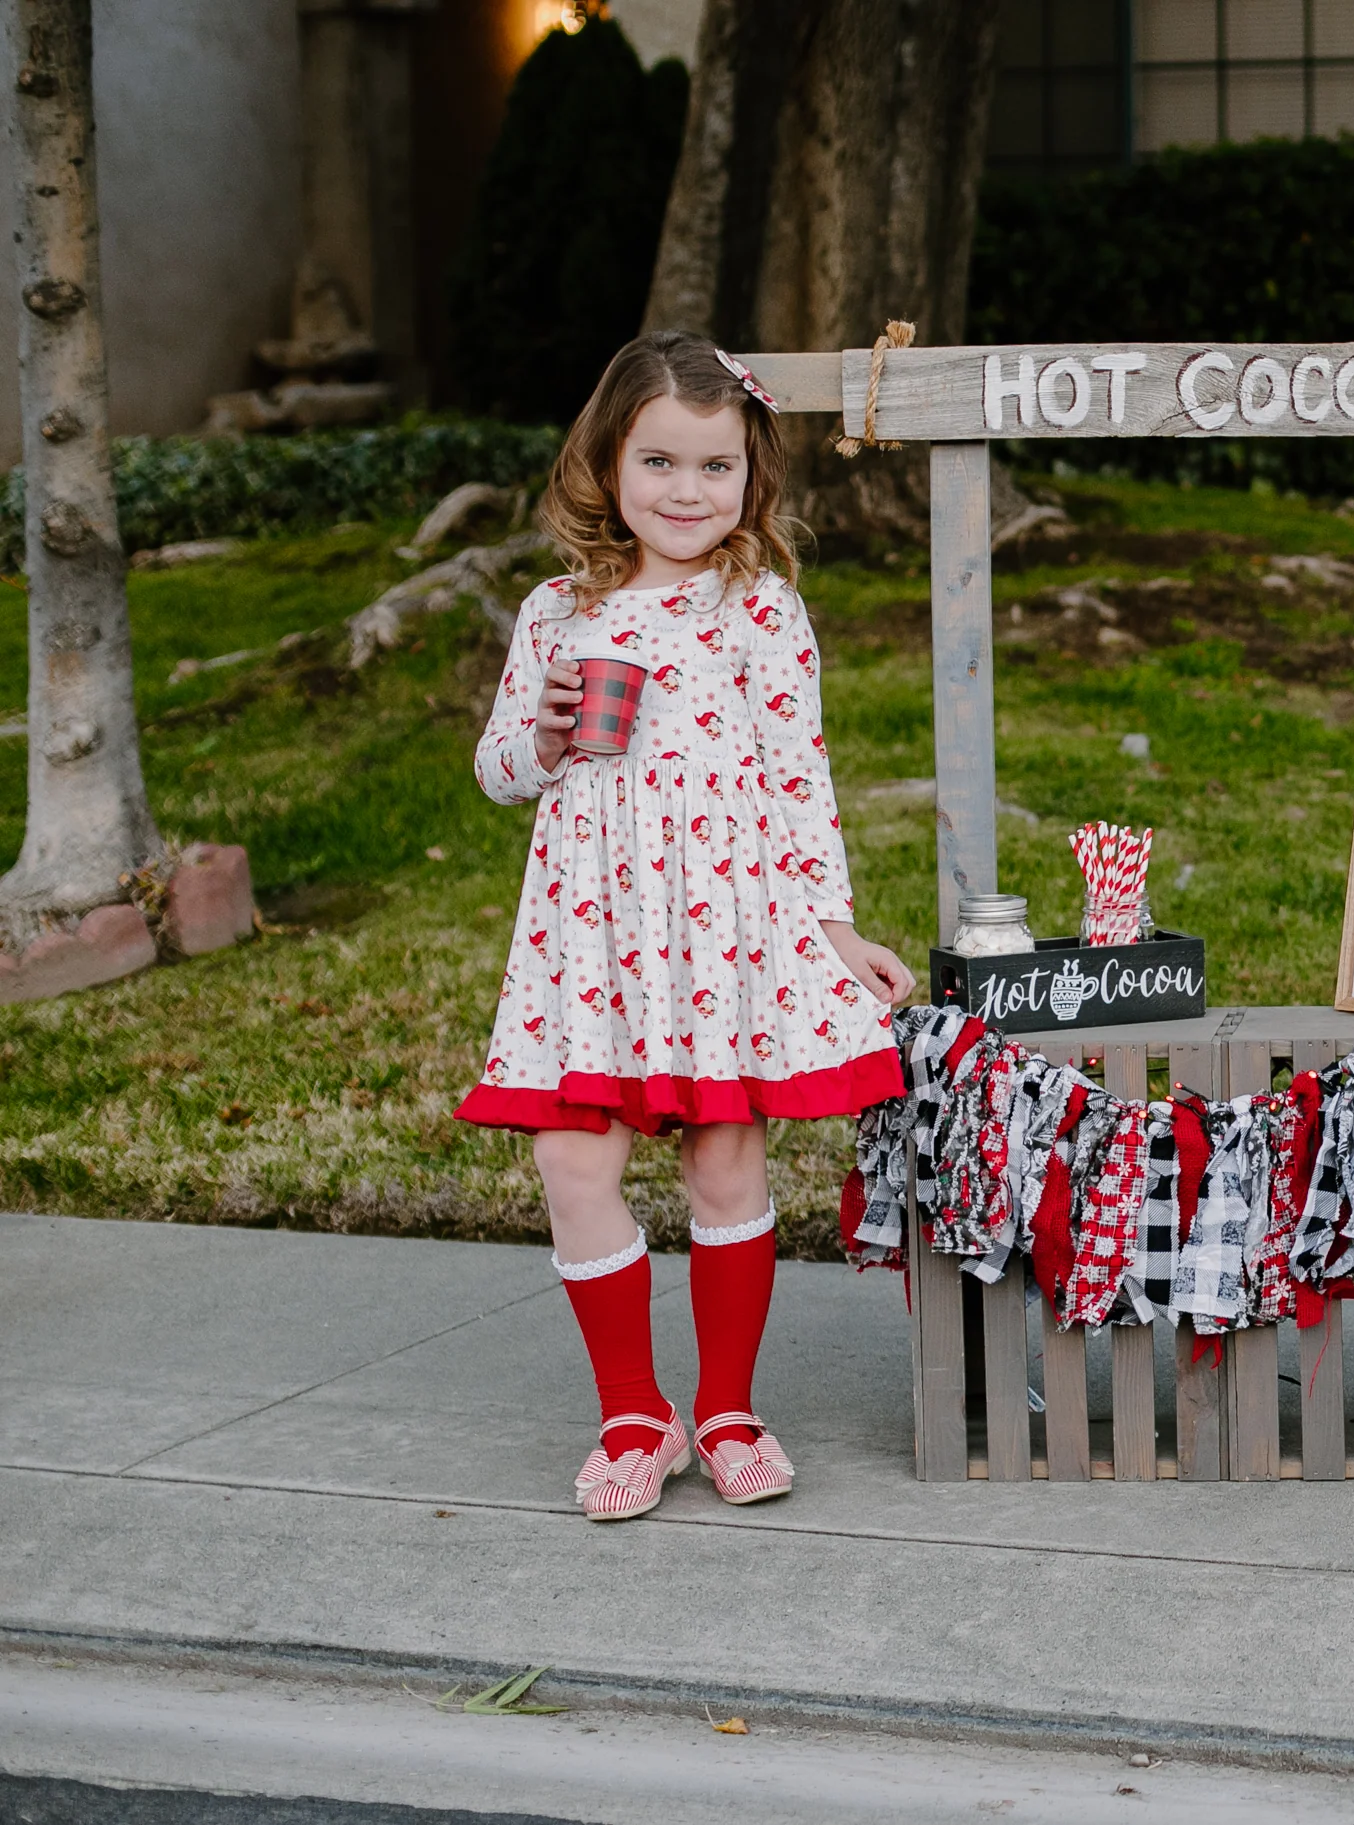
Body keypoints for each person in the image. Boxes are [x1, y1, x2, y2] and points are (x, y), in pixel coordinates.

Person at [455, 331, 913, 1521]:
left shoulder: (760, 608)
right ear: (607, 460)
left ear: (751, 478)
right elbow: (498, 769)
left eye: (714, 468)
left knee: (723, 1156)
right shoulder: (555, 613)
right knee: (571, 1157)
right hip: (591, 928)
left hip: (720, 925)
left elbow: (799, 782)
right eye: (658, 461)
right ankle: (631, 1411)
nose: (684, 491)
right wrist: (544, 738)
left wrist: (833, 925)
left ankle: (723, 1407)